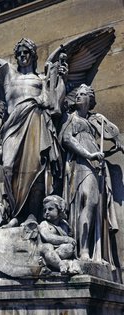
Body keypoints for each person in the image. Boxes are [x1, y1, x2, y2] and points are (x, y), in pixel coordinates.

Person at [0, 38, 68, 221]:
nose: (21, 56)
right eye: (18, 53)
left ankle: (32, 215)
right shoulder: (10, 75)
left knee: (36, 169)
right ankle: (14, 213)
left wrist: (61, 78)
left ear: (33, 55)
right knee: (8, 167)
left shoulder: (41, 79)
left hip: (34, 120)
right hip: (12, 125)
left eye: (25, 52)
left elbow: (53, 103)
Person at [60, 84, 124, 262]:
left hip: (95, 165)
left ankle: (92, 250)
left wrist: (114, 143)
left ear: (90, 99)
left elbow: (109, 135)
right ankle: (83, 251)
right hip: (80, 163)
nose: (78, 97)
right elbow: (67, 139)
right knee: (88, 200)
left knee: (94, 205)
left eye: (83, 94)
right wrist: (90, 154)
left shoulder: (93, 121)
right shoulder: (70, 118)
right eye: (77, 94)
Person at [38, 195, 80, 274]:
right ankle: (60, 264)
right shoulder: (44, 223)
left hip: (57, 250)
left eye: (50, 209)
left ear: (59, 210)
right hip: (46, 249)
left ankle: (47, 261)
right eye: (45, 210)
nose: (46, 212)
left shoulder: (64, 225)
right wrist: (66, 239)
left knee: (69, 247)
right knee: (47, 247)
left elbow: (70, 237)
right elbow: (48, 237)